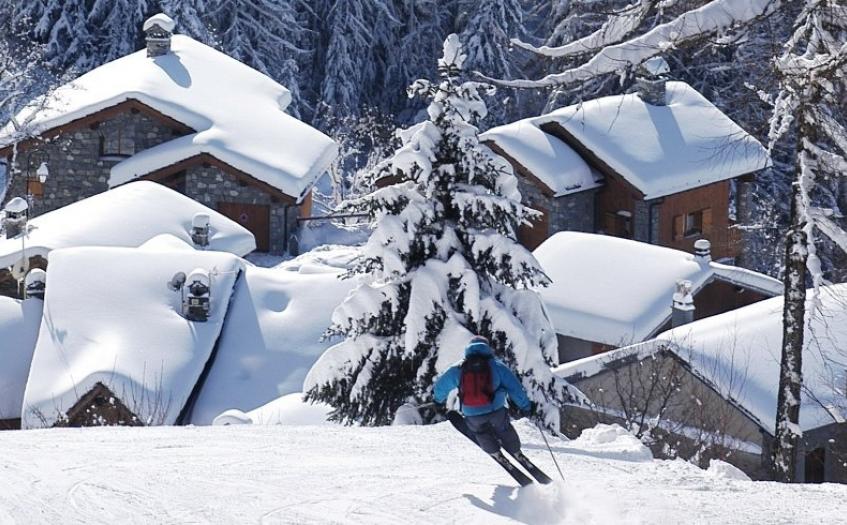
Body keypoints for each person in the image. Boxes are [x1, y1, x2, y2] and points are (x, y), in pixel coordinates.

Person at [433, 335, 532, 458]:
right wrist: (526, 407)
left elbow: (441, 386)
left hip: (472, 414)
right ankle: (516, 451)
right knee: (504, 428)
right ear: (487, 348)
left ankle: (494, 452)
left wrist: (438, 401)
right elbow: (515, 388)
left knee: (480, 432)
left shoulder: (459, 368)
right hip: (496, 411)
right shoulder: (497, 366)